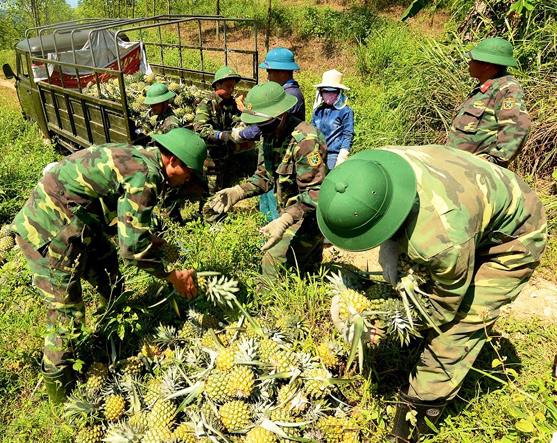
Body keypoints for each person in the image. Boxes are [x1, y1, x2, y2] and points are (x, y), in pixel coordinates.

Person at [316, 144, 547, 442]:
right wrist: (392, 247)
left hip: (515, 234)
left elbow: (444, 307)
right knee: (415, 280)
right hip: (472, 198)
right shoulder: (370, 169)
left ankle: (418, 415)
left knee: (459, 326)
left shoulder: (440, 240)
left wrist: (386, 325)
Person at [12, 128, 207, 404]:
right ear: (173, 161)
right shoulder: (147, 176)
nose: (189, 178)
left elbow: (111, 200)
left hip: (78, 220)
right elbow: (133, 251)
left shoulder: (139, 156)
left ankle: (113, 327)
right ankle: (61, 397)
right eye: (189, 172)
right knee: (66, 314)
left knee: (108, 267)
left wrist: (142, 232)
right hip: (48, 228)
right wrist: (172, 276)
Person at [209, 82, 328, 281]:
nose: (258, 129)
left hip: (309, 218)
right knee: (305, 273)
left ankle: (265, 306)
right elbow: (264, 176)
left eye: (261, 122)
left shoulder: (306, 140)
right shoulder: (269, 135)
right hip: (289, 215)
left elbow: (316, 191)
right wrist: (239, 191)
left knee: (272, 260)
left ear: (279, 114)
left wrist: (286, 219)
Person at [237, 47, 306, 222]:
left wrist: (241, 134)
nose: (267, 75)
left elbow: (261, 126)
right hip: (272, 153)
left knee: (277, 202)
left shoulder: (290, 96)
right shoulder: (284, 93)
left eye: (270, 71)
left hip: (282, 157)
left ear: (282, 72)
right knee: (266, 198)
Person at [447, 37, 531, 168]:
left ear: (487, 65)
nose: (469, 63)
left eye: (474, 60)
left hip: (475, 171)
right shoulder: (483, 89)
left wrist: (493, 161)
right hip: (457, 166)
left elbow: (517, 128)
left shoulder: (506, 88)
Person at [193, 66, 243, 193]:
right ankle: (207, 211)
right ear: (218, 85)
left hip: (225, 154)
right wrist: (220, 135)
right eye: (228, 86)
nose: (231, 90)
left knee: (223, 188)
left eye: (233, 86)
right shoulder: (207, 104)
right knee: (211, 191)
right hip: (210, 157)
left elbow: (236, 119)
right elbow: (200, 128)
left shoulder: (230, 103)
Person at [311, 70, 354, 169]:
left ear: (339, 92)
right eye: (326, 91)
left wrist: (342, 156)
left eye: (333, 91)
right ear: (321, 92)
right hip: (317, 155)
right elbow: (312, 133)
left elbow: (348, 134)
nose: (329, 95)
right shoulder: (317, 111)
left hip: (334, 157)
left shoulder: (345, 111)